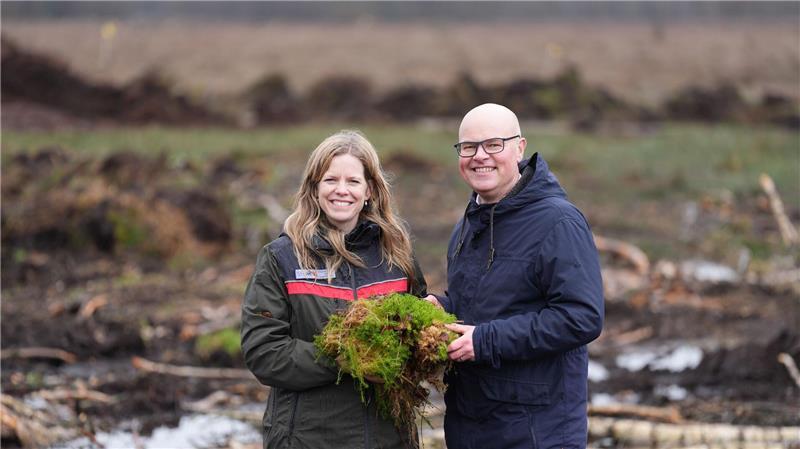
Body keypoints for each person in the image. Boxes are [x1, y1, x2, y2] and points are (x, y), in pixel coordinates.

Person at [426, 104, 604, 449]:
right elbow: (487, 304)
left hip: (536, 431)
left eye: (493, 144)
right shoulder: (466, 225)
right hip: (471, 425)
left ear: (519, 147)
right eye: (468, 147)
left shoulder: (558, 222)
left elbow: (582, 318)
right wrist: (441, 308)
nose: (480, 156)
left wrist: (486, 341)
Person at [241, 130, 427, 449]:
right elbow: (263, 352)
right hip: (307, 439)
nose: (342, 191)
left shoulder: (396, 255)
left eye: (353, 181)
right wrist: (346, 358)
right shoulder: (281, 258)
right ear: (314, 188)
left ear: (369, 190)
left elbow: (417, 334)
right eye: (330, 180)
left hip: (388, 438)